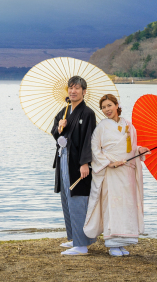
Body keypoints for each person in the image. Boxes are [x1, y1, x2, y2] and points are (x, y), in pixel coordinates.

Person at [83, 94, 150, 257]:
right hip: (111, 172)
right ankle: (112, 243)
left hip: (127, 172)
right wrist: (109, 163)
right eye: (103, 107)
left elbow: (131, 148)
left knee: (126, 205)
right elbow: (94, 149)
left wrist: (139, 150)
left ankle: (122, 242)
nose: (107, 109)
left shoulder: (129, 125)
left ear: (116, 105)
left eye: (109, 105)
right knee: (112, 205)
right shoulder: (102, 127)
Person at [51, 75, 97, 256]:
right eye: (71, 88)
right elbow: (55, 134)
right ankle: (73, 238)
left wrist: (85, 163)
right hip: (63, 158)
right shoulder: (63, 112)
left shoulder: (87, 113)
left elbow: (88, 140)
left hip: (78, 161)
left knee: (78, 198)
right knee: (66, 197)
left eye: (77, 88)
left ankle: (82, 244)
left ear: (84, 92)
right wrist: (59, 127)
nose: (73, 91)